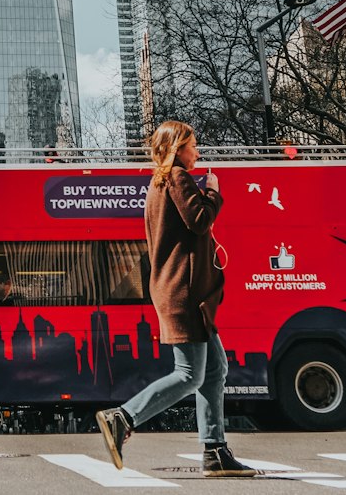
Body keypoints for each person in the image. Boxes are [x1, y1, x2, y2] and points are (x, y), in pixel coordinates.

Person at [95, 121, 254, 478]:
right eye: (193, 145)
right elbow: (199, 221)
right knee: (189, 375)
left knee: (215, 371)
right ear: (178, 148)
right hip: (185, 294)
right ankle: (122, 417)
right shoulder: (178, 178)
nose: (198, 152)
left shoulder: (158, 185)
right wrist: (212, 191)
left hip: (182, 293)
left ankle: (215, 451)